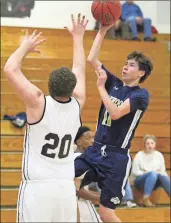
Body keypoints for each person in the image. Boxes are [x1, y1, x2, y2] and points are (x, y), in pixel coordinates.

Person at [4, 14, 88, 222]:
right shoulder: (78, 102)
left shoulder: (38, 102)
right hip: (65, 188)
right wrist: (78, 38)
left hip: (38, 187)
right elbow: (80, 69)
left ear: (49, 85)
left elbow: (10, 69)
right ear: (72, 87)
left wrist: (25, 46)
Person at [75, 22, 153, 222]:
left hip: (115, 158)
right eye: (125, 63)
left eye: (131, 65)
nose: (125, 67)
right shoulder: (115, 83)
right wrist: (102, 30)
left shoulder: (140, 95)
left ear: (141, 73)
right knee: (64, 178)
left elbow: (116, 113)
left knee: (106, 213)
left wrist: (100, 87)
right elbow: (92, 59)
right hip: (94, 151)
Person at [131, 134, 171, 207]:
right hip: (140, 181)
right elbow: (135, 172)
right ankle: (146, 198)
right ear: (144, 145)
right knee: (152, 174)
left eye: (152, 143)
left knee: (164, 176)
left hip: (154, 180)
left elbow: (163, 171)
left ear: (155, 144)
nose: (150, 145)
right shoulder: (139, 155)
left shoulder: (159, 155)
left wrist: (156, 173)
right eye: (148, 143)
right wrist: (146, 173)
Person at [74, 126, 101, 222]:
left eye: (93, 138)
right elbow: (76, 190)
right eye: (88, 138)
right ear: (78, 142)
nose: (92, 141)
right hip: (79, 203)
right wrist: (99, 197)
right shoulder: (78, 157)